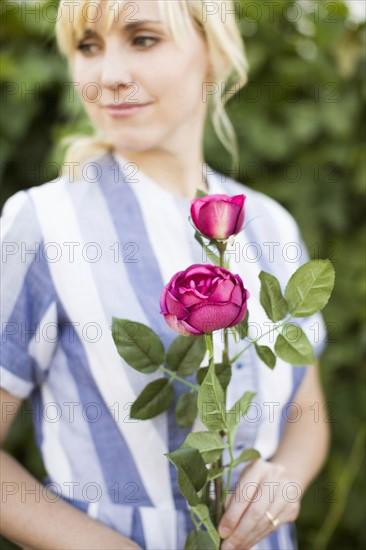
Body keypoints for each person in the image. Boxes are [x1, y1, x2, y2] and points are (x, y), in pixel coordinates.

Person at [0, 1, 330, 549]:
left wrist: (284, 480)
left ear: (212, 51)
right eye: (88, 46)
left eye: (144, 39)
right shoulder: (41, 225)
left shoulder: (269, 223)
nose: (109, 76)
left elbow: (306, 414)